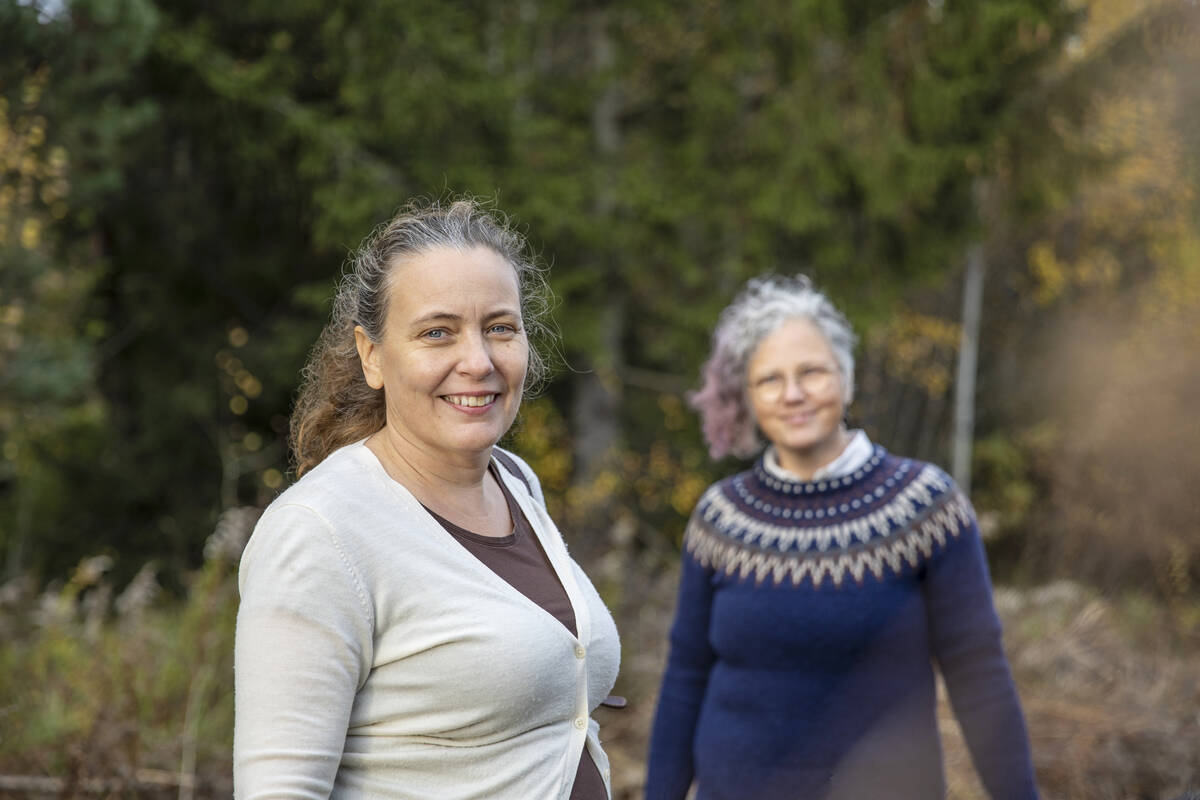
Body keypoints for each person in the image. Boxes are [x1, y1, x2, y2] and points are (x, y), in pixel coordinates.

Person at [233, 199, 621, 800]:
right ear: (371, 355)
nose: (478, 361)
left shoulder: (515, 481)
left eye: (500, 328)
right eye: (437, 333)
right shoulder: (319, 533)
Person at [645, 275, 1038, 799]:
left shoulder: (925, 507)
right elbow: (685, 678)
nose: (793, 394)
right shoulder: (720, 518)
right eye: (769, 380)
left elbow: (980, 676)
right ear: (748, 397)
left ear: (846, 380)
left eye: (812, 371)